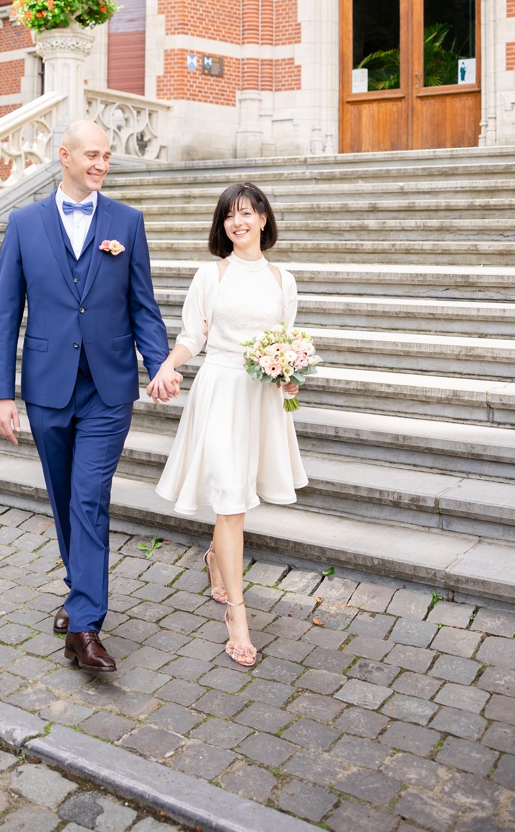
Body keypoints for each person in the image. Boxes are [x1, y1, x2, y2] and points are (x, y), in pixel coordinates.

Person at [0, 119, 174, 672]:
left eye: (107, 156)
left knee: (89, 495)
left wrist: (159, 363)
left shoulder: (127, 222)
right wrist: (3, 393)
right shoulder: (23, 225)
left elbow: (144, 303)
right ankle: (78, 591)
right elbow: (6, 316)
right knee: (65, 495)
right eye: (91, 154)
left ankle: (87, 625)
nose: (101, 164)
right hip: (47, 386)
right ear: (64, 156)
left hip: (108, 387)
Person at [149, 182, 308, 668]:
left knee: (236, 497)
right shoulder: (209, 275)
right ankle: (237, 616)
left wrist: (290, 376)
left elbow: (285, 341)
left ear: (263, 218)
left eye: (246, 213)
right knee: (230, 503)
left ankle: (218, 559)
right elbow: (192, 335)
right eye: (229, 216)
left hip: (259, 397)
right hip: (219, 391)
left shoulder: (284, 280)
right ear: (223, 227)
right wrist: (167, 365)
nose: (238, 222)